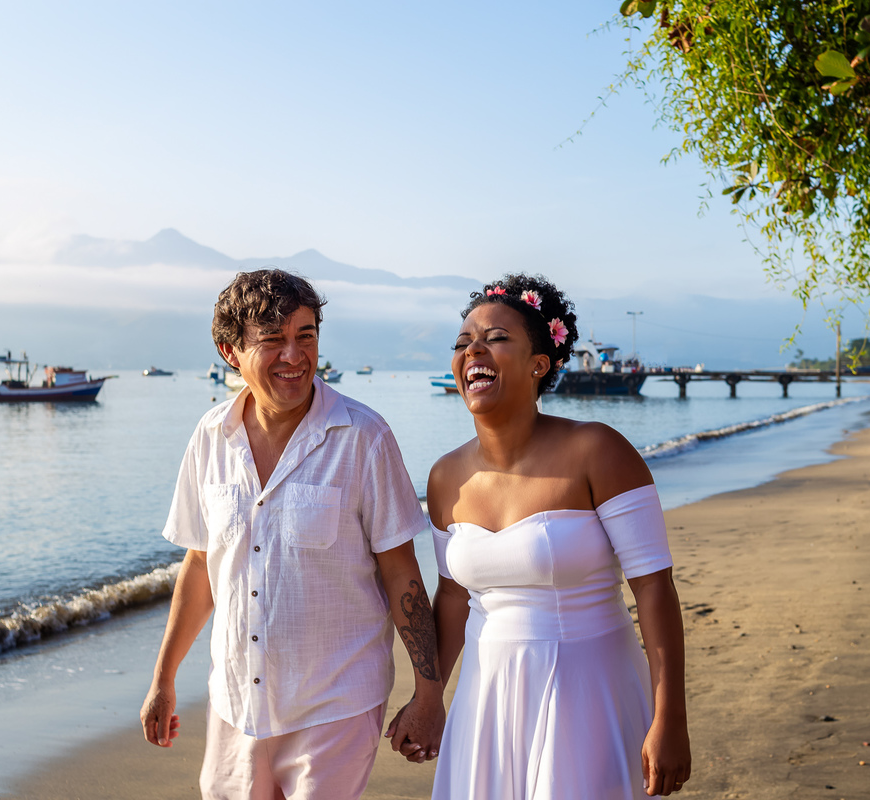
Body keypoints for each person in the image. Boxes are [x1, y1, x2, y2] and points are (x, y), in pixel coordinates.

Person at [140, 269, 444, 800]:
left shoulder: (364, 438)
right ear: (230, 351)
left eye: (305, 336)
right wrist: (163, 678)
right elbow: (200, 565)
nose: (294, 354)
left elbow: (402, 573)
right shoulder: (210, 437)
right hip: (235, 702)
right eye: (273, 338)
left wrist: (428, 692)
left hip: (335, 704)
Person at [419, 274, 692, 798]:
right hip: (486, 698)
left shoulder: (598, 450)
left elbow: (654, 588)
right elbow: (453, 597)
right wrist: (428, 696)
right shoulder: (444, 477)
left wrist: (670, 718)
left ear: (539, 363)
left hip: (588, 689)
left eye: (495, 337)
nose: (473, 349)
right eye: (462, 342)